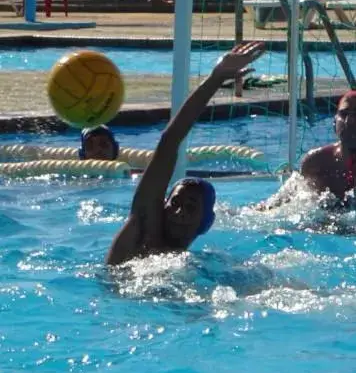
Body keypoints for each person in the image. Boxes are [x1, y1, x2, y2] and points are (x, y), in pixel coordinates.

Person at [105, 41, 266, 266]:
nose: (179, 212)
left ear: (205, 223)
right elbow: (170, 141)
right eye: (175, 202)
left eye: (191, 207)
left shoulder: (196, 264)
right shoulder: (144, 229)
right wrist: (216, 78)